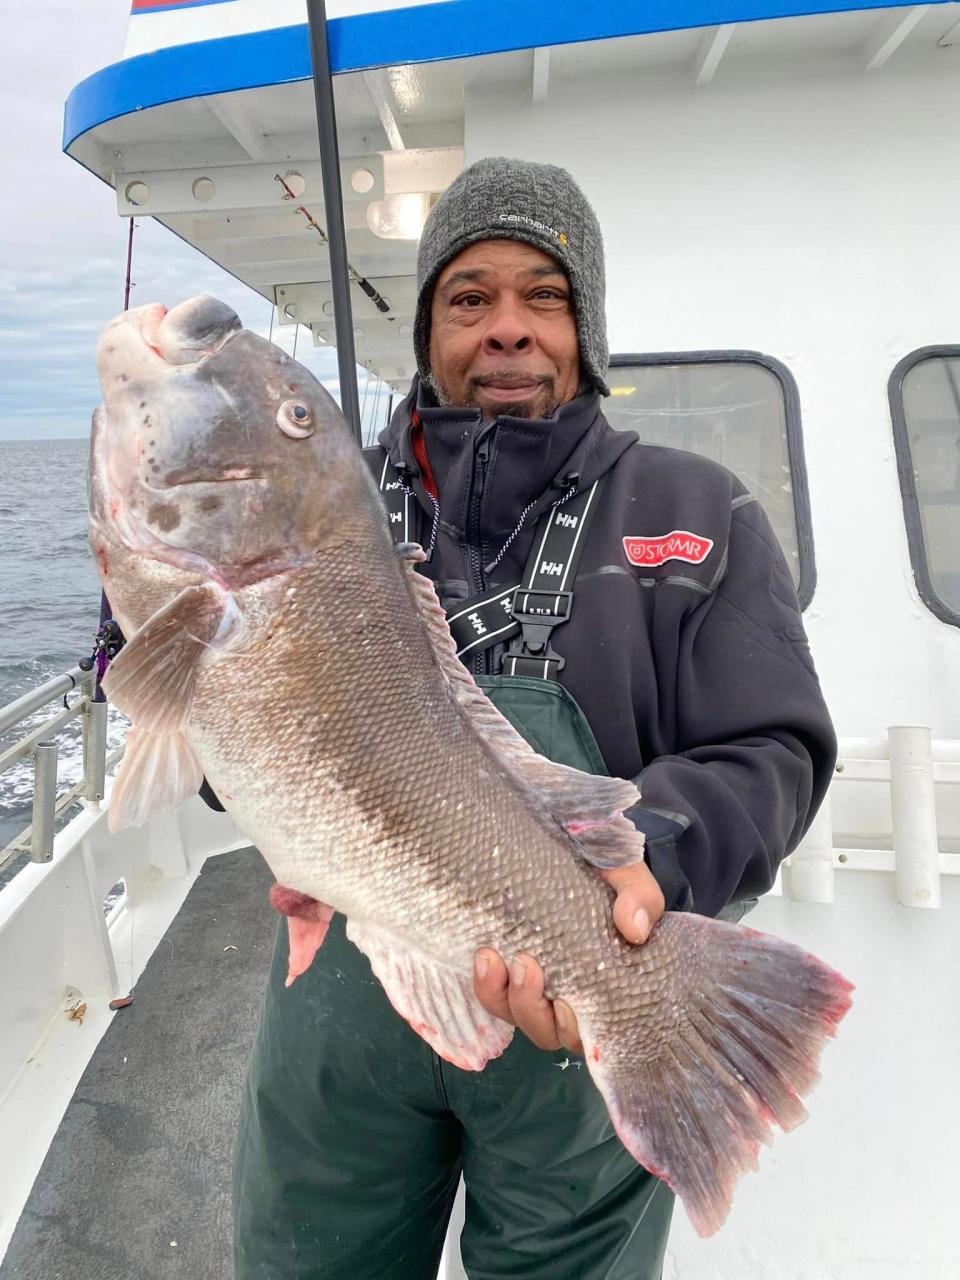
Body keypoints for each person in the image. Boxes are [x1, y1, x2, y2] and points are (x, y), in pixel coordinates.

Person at [229, 157, 837, 1279]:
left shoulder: (698, 509)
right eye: (469, 297)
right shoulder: (332, 508)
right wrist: (158, 643)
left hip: (575, 1008)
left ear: (585, 324)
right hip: (348, 1011)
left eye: (542, 295)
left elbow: (775, 748)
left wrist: (656, 858)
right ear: (429, 331)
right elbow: (236, 758)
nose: (506, 327)